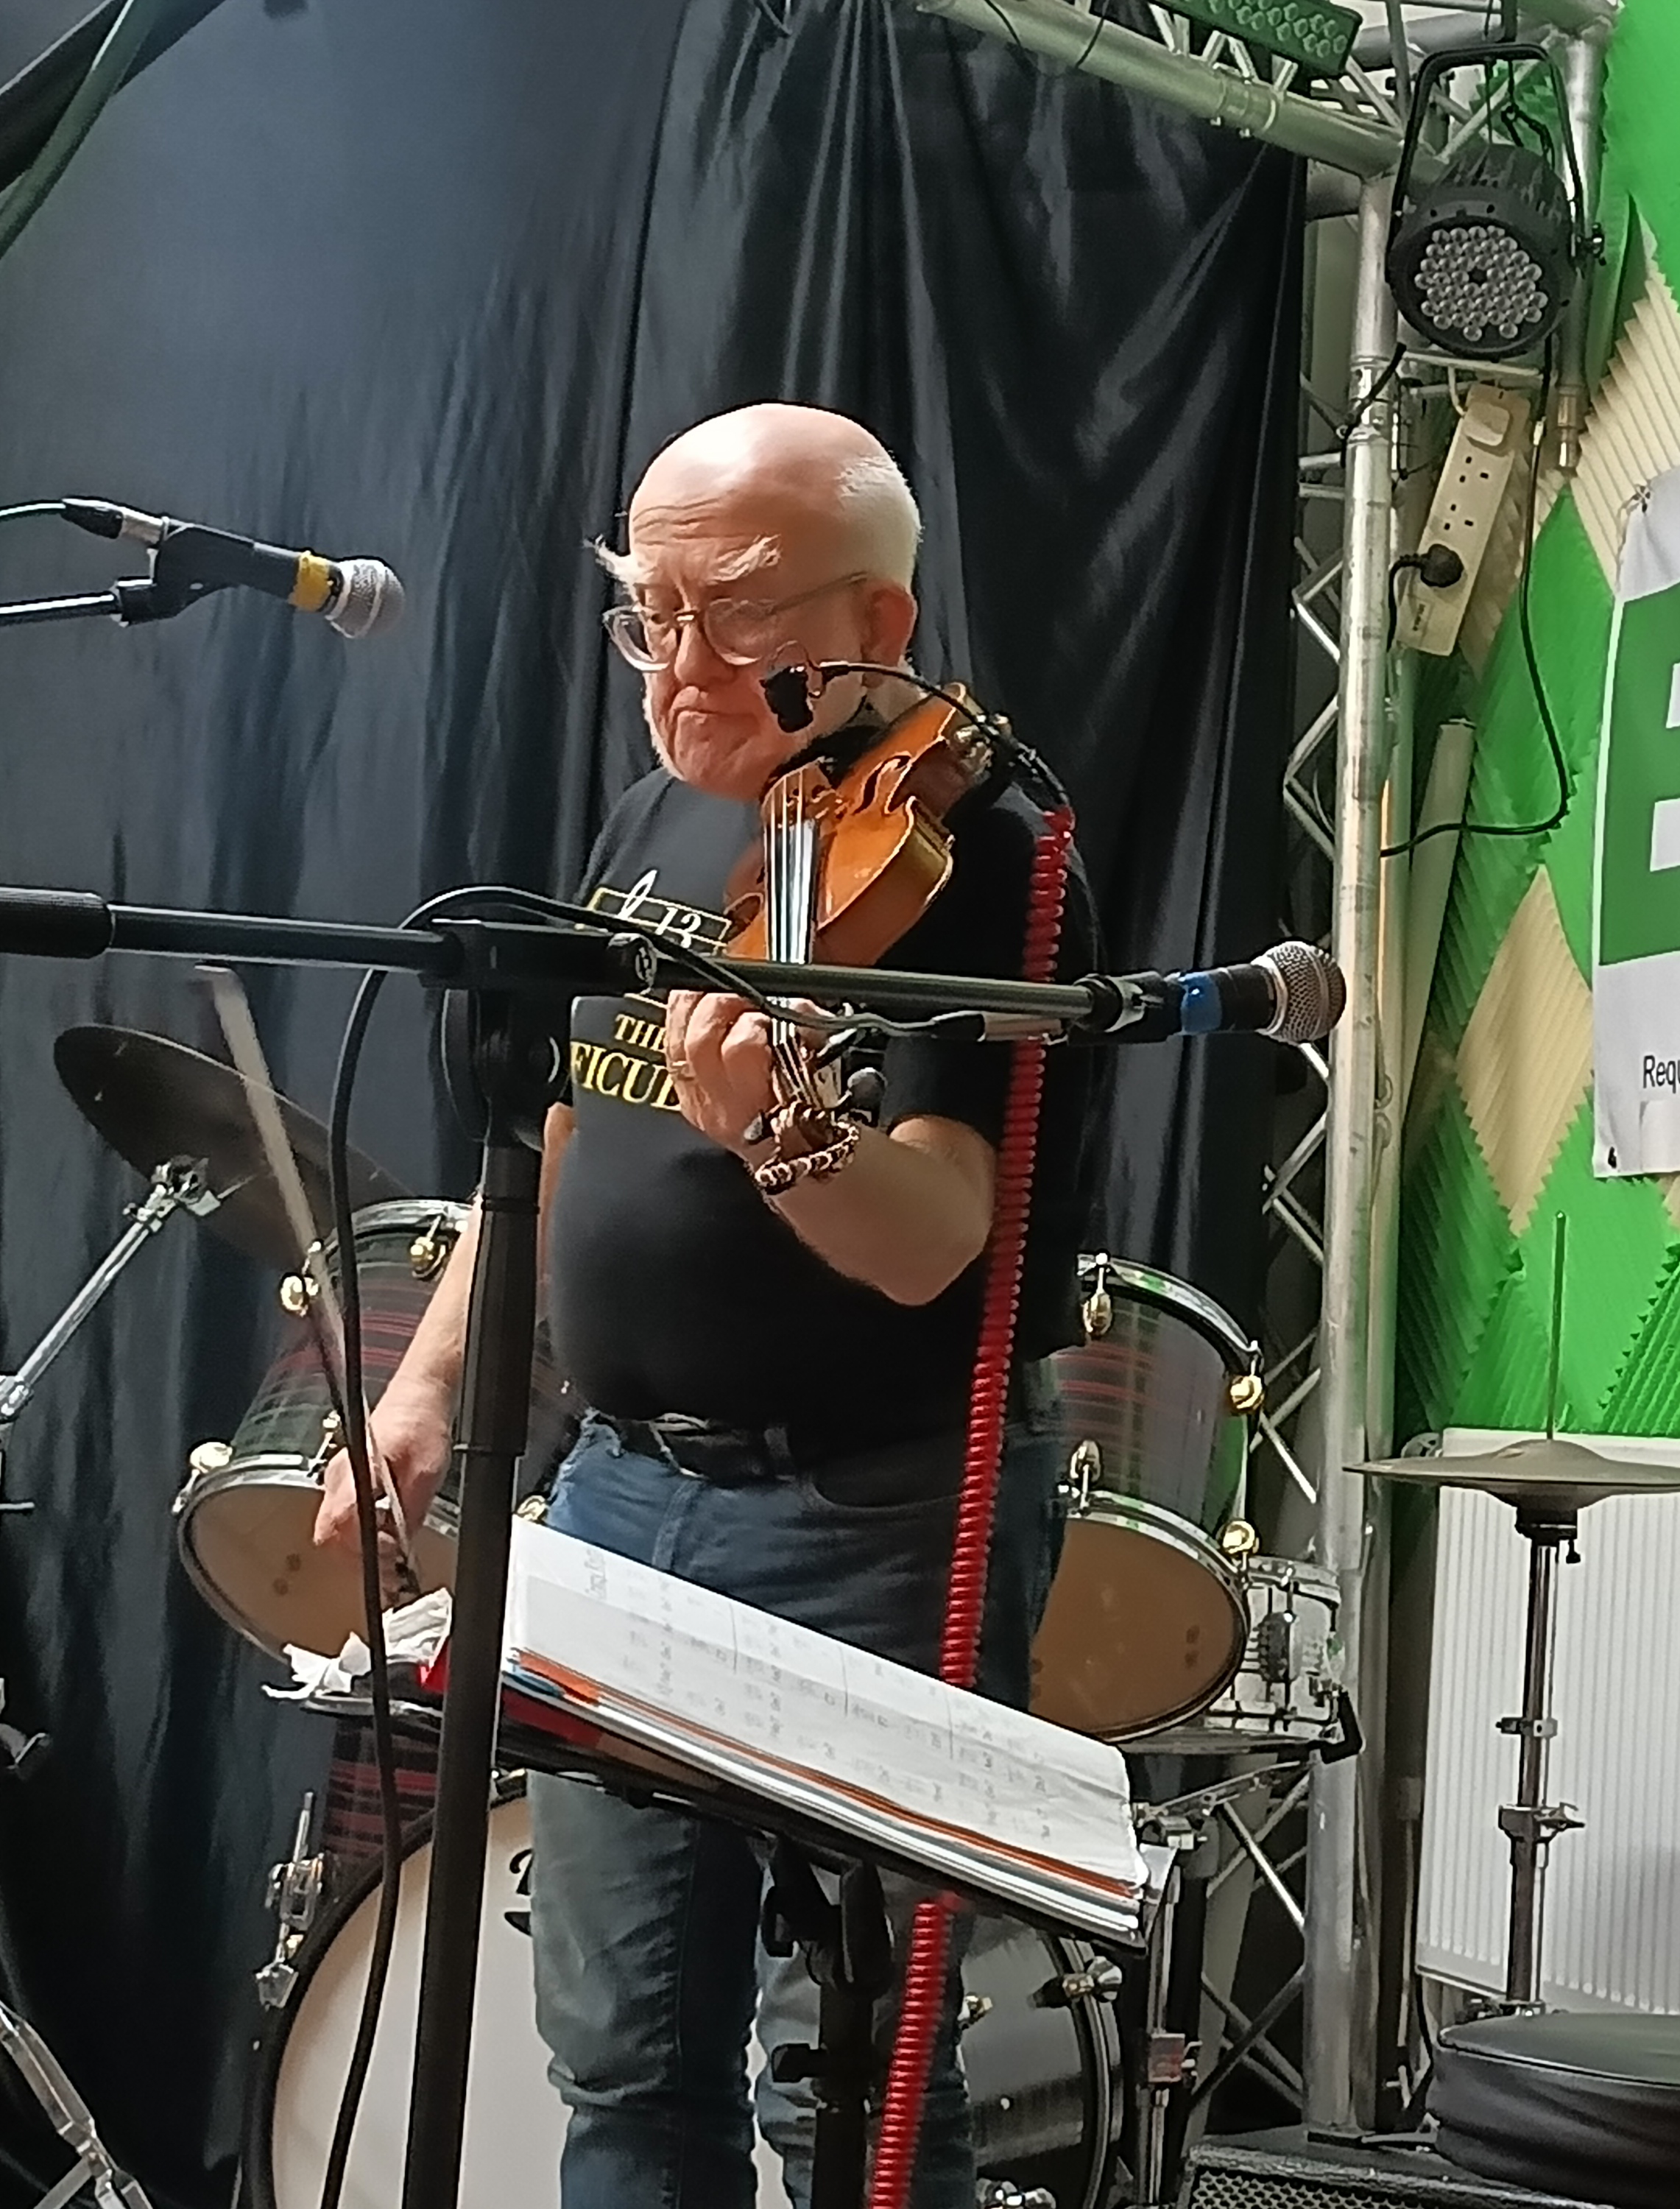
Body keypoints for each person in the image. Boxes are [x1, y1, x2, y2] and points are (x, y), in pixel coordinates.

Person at [317, 401, 1100, 2208]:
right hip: (612, 1495)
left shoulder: (984, 849)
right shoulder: (660, 808)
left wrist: (780, 1139)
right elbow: (563, 1130)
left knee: (854, 2077)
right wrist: (426, 1386)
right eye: (647, 614)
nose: (676, 666)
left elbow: (934, 1238)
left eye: (729, 612)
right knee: (619, 2057)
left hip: (875, 1514)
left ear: (878, 625)